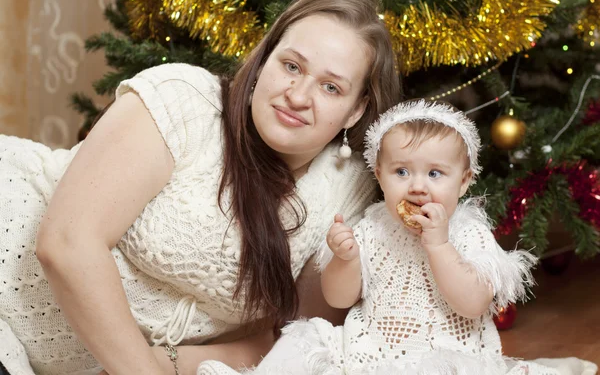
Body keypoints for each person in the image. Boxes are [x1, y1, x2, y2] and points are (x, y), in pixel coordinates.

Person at [0, 0, 402, 375]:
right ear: (265, 61)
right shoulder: (185, 100)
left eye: (331, 87)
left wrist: (170, 363)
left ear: (356, 110)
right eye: (291, 66)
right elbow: (67, 244)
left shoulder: (346, 188)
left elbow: (295, 339)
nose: (298, 96)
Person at [197, 100, 598, 375]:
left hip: (445, 356)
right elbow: (339, 299)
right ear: (381, 177)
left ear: (464, 182)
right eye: (402, 172)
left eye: (435, 174)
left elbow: (474, 302)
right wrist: (345, 258)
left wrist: (439, 245)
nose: (417, 187)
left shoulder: (467, 231)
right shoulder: (372, 228)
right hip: (367, 351)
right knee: (305, 338)